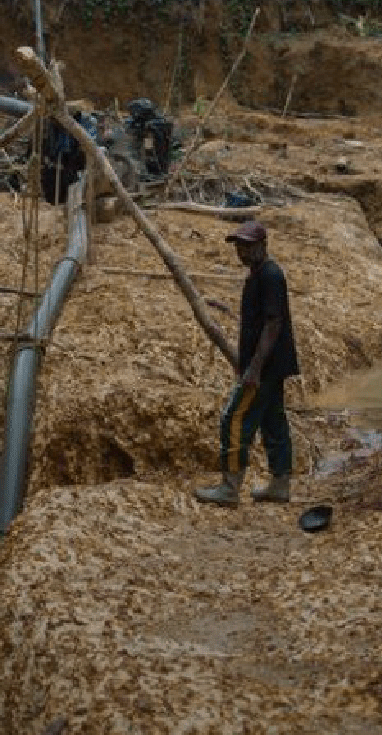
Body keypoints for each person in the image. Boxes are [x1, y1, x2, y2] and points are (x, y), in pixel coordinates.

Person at [197, 220, 300, 506]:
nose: (242, 251)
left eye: (248, 246)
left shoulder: (270, 276)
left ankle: (229, 488)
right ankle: (280, 485)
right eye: (239, 246)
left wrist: (253, 368)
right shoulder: (259, 274)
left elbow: (273, 323)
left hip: (265, 367)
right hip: (270, 364)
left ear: (263, 246)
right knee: (273, 420)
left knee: (234, 419)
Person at [125, 98, 175, 180]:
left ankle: (158, 172)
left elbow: (164, 126)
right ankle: (152, 172)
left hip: (154, 141)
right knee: (148, 154)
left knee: (155, 154)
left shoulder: (155, 120)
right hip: (145, 142)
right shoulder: (136, 120)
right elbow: (129, 129)